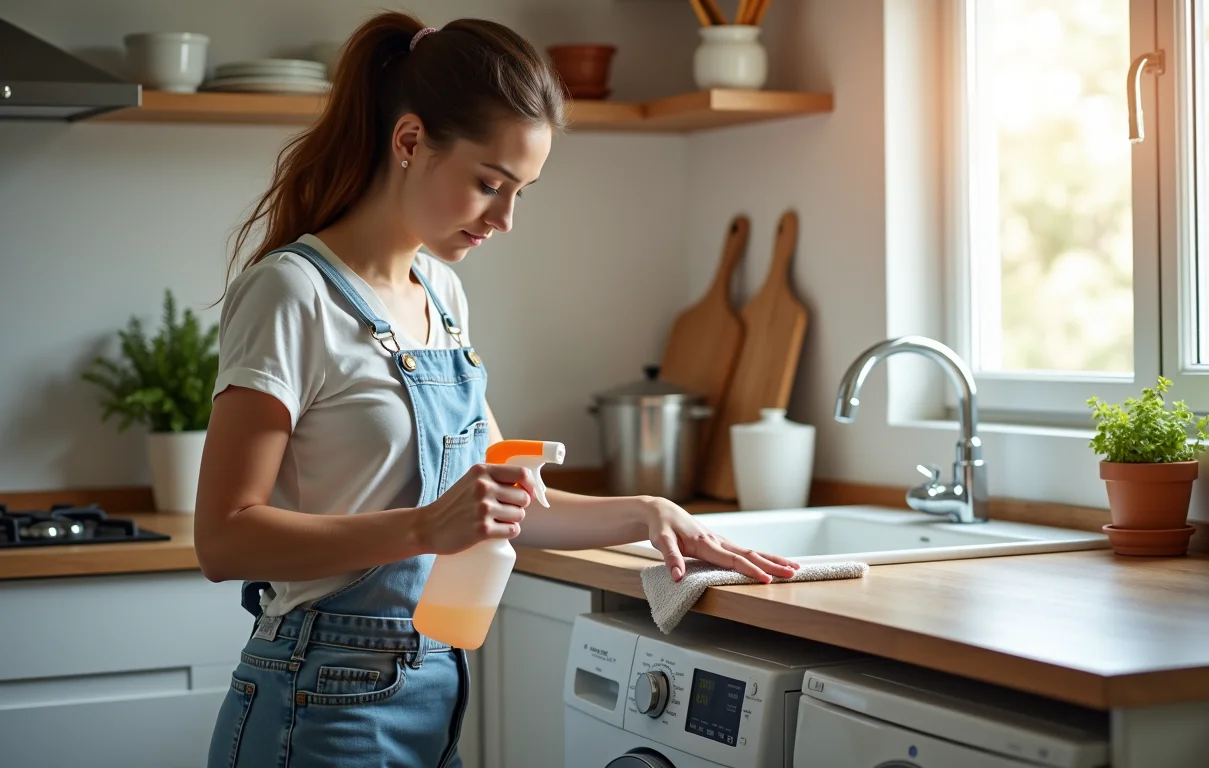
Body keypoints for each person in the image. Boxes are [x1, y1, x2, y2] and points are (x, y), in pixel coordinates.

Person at [195, 11, 799, 768]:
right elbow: (223, 537)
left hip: (433, 688)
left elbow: (503, 508)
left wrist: (650, 514)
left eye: (523, 192)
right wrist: (424, 528)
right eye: (489, 184)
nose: (505, 219)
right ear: (410, 142)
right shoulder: (290, 293)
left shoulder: (441, 294)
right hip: (315, 699)